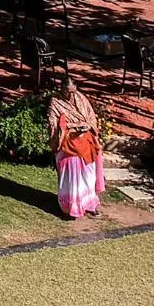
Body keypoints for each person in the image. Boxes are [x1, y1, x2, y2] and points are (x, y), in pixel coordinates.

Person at [47, 76, 105, 219]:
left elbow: (91, 117)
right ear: (62, 90)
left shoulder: (81, 98)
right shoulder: (55, 103)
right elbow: (53, 125)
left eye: (73, 91)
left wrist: (88, 126)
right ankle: (71, 206)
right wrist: (71, 128)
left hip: (86, 143)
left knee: (89, 175)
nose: (71, 95)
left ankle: (89, 204)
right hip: (68, 146)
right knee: (73, 177)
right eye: (68, 92)